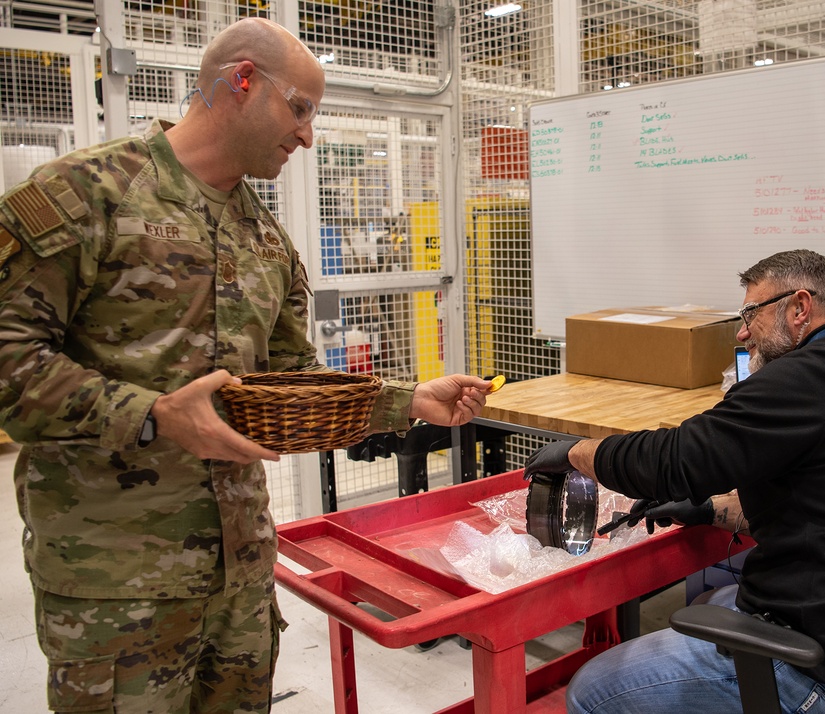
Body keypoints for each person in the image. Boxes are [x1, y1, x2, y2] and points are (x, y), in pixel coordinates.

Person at [0, 17, 492, 713]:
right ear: (240, 81)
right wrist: (152, 416)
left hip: (241, 578)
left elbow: (294, 385)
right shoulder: (87, 197)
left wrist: (408, 401)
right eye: (299, 108)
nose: (306, 135)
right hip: (116, 583)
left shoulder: (263, 239)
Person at [524, 249, 825, 714]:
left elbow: (675, 459)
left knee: (591, 691)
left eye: (750, 314)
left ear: (799, 309)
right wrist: (708, 509)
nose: (741, 331)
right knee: (717, 598)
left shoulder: (805, 378)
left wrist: (576, 451)